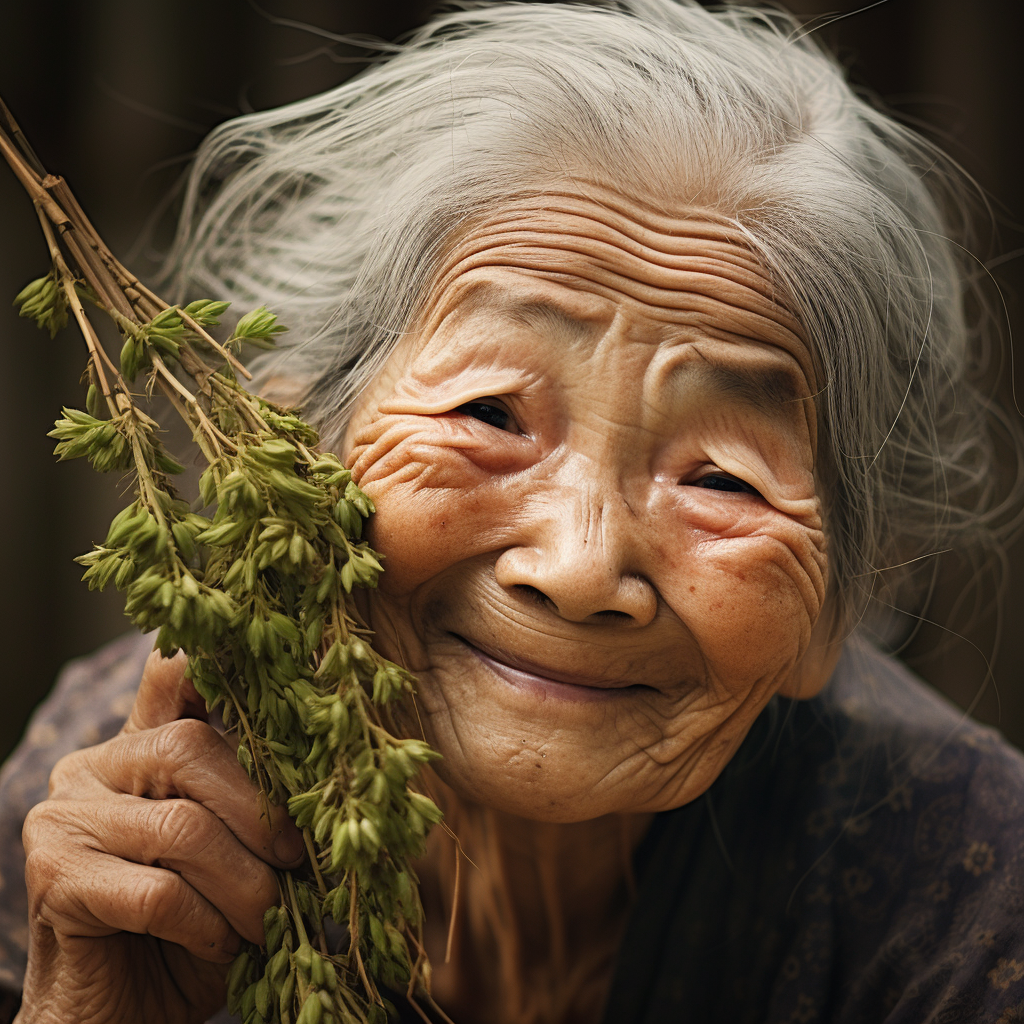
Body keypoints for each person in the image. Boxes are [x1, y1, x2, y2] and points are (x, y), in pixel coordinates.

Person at [3, 1, 1024, 1021]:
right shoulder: (129, 815)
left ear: (842, 599)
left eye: (720, 480)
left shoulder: (960, 894)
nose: (578, 567)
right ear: (300, 451)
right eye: (489, 413)